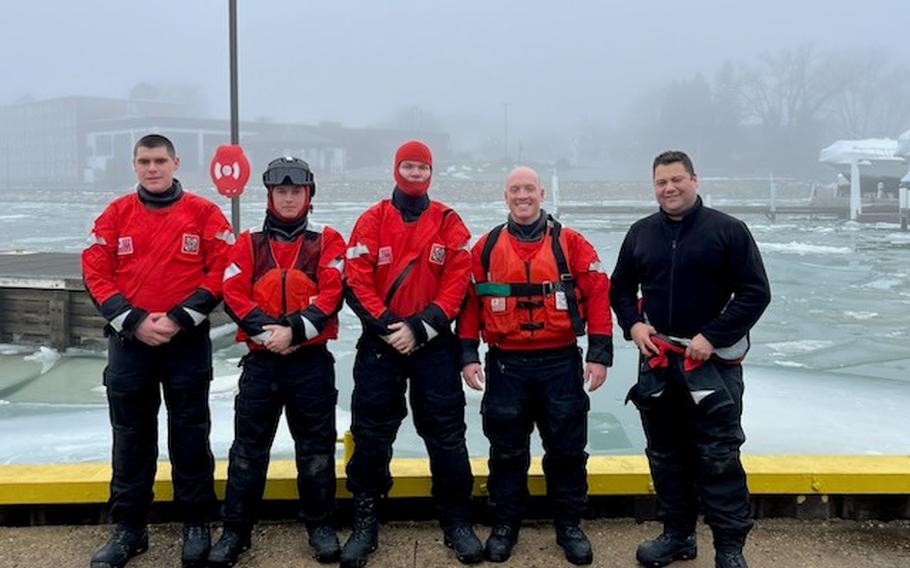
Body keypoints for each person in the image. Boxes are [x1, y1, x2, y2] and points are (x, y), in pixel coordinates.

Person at [610, 151, 771, 568]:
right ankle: (677, 536)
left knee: (718, 458)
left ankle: (730, 548)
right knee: (665, 455)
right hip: (659, 363)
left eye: (677, 179)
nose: (670, 188)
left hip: (712, 366)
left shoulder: (729, 231)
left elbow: (756, 292)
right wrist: (634, 326)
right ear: (654, 187)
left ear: (695, 180)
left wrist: (712, 336)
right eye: (662, 182)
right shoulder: (641, 233)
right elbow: (620, 289)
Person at [82, 134, 233, 568]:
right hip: (131, 344)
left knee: (190, 434)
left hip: (185, 342)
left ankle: (196, 523)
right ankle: (130, 528)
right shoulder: (115, 214)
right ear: (134, 165)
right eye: (145, 161)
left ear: (175, 163)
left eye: (160, 160)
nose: (153, 168)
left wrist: (180, 318)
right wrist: (132, 321)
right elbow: (95, 269)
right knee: (131, 437)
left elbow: (223, 267)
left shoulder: (204, 213)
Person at [457, 166, 613, 565]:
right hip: (506, 365)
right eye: (514, 190)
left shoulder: (571, 243)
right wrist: (468, 355)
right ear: (505, 196)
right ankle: (505, 525)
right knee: (506, 452)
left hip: (560, 363)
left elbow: (597, 293)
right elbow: (470, 304)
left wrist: (599, 354)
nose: (522, 196)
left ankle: (570, 526)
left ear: (541, 193)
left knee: (567, 451)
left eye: (529, 189)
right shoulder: (486, 247)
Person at [342, 139, 482, 567]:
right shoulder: (371, 220)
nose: (416, 173)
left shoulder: (448, 222)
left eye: (422, 167)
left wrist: (421, 327)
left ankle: (456, 520)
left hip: (433, 345)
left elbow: (457, 282)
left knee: (446, 434)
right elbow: (355, 279)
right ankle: (366, 522)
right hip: (381, 344)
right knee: (371, 435)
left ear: (431, 173)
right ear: (395, 169)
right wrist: (388, 326)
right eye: (409, 165)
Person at [207, 157, 346, 566]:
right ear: (269, 196)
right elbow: (233, 291)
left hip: (311, 363)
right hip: (261, 362)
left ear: (309, 195)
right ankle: (235, 532)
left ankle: (320, 526)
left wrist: (294, 331)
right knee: (248, 452)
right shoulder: (248, 242)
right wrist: (271, 334)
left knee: (316, 451)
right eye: (281, 192)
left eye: (296, 192)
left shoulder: (328, 240)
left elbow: (332, 292)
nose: (288, 198)